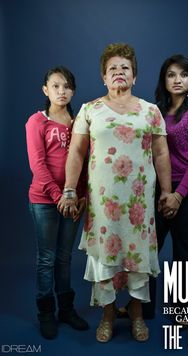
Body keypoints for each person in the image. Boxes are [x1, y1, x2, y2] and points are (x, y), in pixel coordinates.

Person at [58, 43, 171, 342]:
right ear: (104, 78)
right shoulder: (89, 110)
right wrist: (70, 190)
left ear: (134, 77)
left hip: (139, 203)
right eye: (113, 69)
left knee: (137, 261)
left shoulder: (151, 111)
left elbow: (161, 154)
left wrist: (167, 192)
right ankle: (107, 316)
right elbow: (76, 153)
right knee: (105, 260)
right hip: (103, 203)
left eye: (125, 68)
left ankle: (136, 317)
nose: (119, 72)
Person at [118, 54, 188, 325]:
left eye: (183, 74)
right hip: (159, 187)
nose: (177, 79)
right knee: (148, 248)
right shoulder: (157, 111)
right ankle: (143, 308)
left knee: (185, 250)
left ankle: (186, 312)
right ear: (164, 79)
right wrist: (161, 189)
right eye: (171, 74)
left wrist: (178, 195)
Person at [25, 66, 89, 339]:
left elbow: (86, 163)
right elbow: (37, 164)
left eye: (66, 86)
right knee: (46, 258)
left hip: (73, 202)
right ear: (45, 90)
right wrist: (58, 196)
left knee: (64, 257)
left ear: (73, 90)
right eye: (55, 86)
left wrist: (80, 194)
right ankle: (46, 313)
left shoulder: (80, 122)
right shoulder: (36, 122)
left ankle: (66, 309)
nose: (61, 91)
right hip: (45, 200)